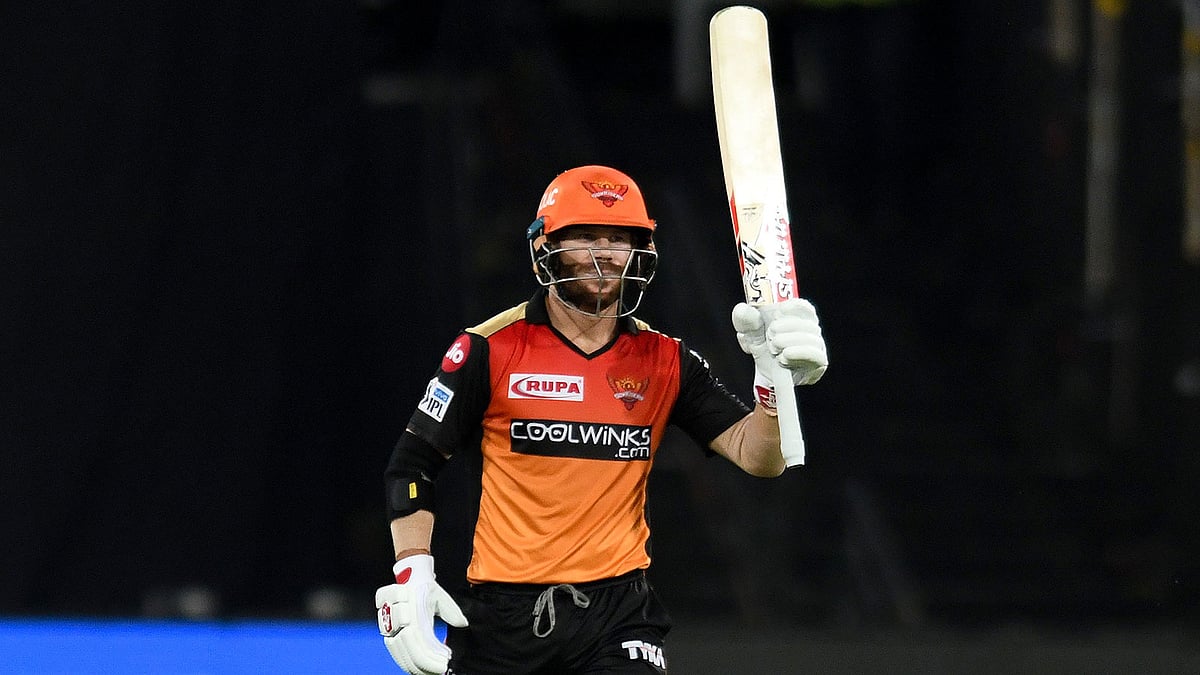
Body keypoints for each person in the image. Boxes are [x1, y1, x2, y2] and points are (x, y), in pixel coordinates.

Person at [374, 165, 828, 674]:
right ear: (545, 247)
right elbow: (411, 466)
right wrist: (412, 571)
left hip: (618, 617)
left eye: (618, 238)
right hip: (503, 620)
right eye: (586, 236)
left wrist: (771, 385)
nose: (604, 254)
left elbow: (759, 458)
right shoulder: (488, 347)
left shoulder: (666, 360)